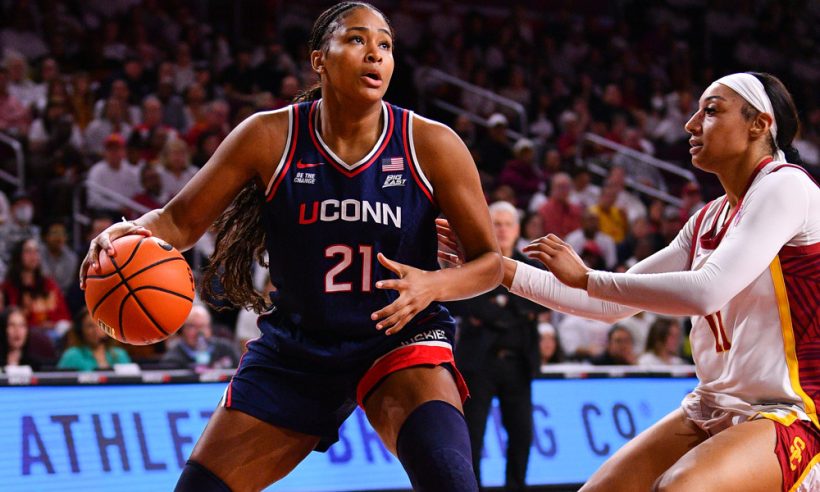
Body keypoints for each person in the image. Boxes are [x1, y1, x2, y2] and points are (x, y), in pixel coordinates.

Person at [80, 3, 501, 491]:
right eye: (357, 40)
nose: (375, 55)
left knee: (450, 480)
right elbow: (177, 221)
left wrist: (434, 284)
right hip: (299, 348)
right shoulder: (269, 135)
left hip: (398, 340)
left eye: (384, 45)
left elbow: (490, 264)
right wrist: (126, 229)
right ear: (319, 59)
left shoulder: (430, 143)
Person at [498, 73, 820, 490]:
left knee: (679, 488)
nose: (690, 124)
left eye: (711, 111)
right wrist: (499, 269)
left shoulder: (787, 184)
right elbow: (608, 305)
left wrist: (590, 277)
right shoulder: (707, 217)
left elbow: (706, 290)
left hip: (792, 413)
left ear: (759, 124)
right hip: (710, 406)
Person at [450, 201, 544, 491]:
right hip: (478, 364)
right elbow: (466, 304)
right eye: (497, 224)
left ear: (518, 230)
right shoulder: (470, 264)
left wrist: (494, 308)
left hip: (518, 364)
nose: (502, 229)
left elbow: (535, 303)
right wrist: (512, 312)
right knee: (472, 435)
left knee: (522, 435)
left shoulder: (532, 267)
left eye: (508, 224)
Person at [162, 304, 241, 370]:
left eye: (203, 326)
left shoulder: (226, 349)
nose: (199, 332)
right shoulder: (172, 359)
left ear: (210, 328)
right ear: (182, 330)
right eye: (192, 326)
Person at [57, 308, 131, 371]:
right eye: (90, 326)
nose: (96, 330)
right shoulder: (72, 356)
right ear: (80, 330)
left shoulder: (120, 355)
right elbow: (60, 384)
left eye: (100, 325)